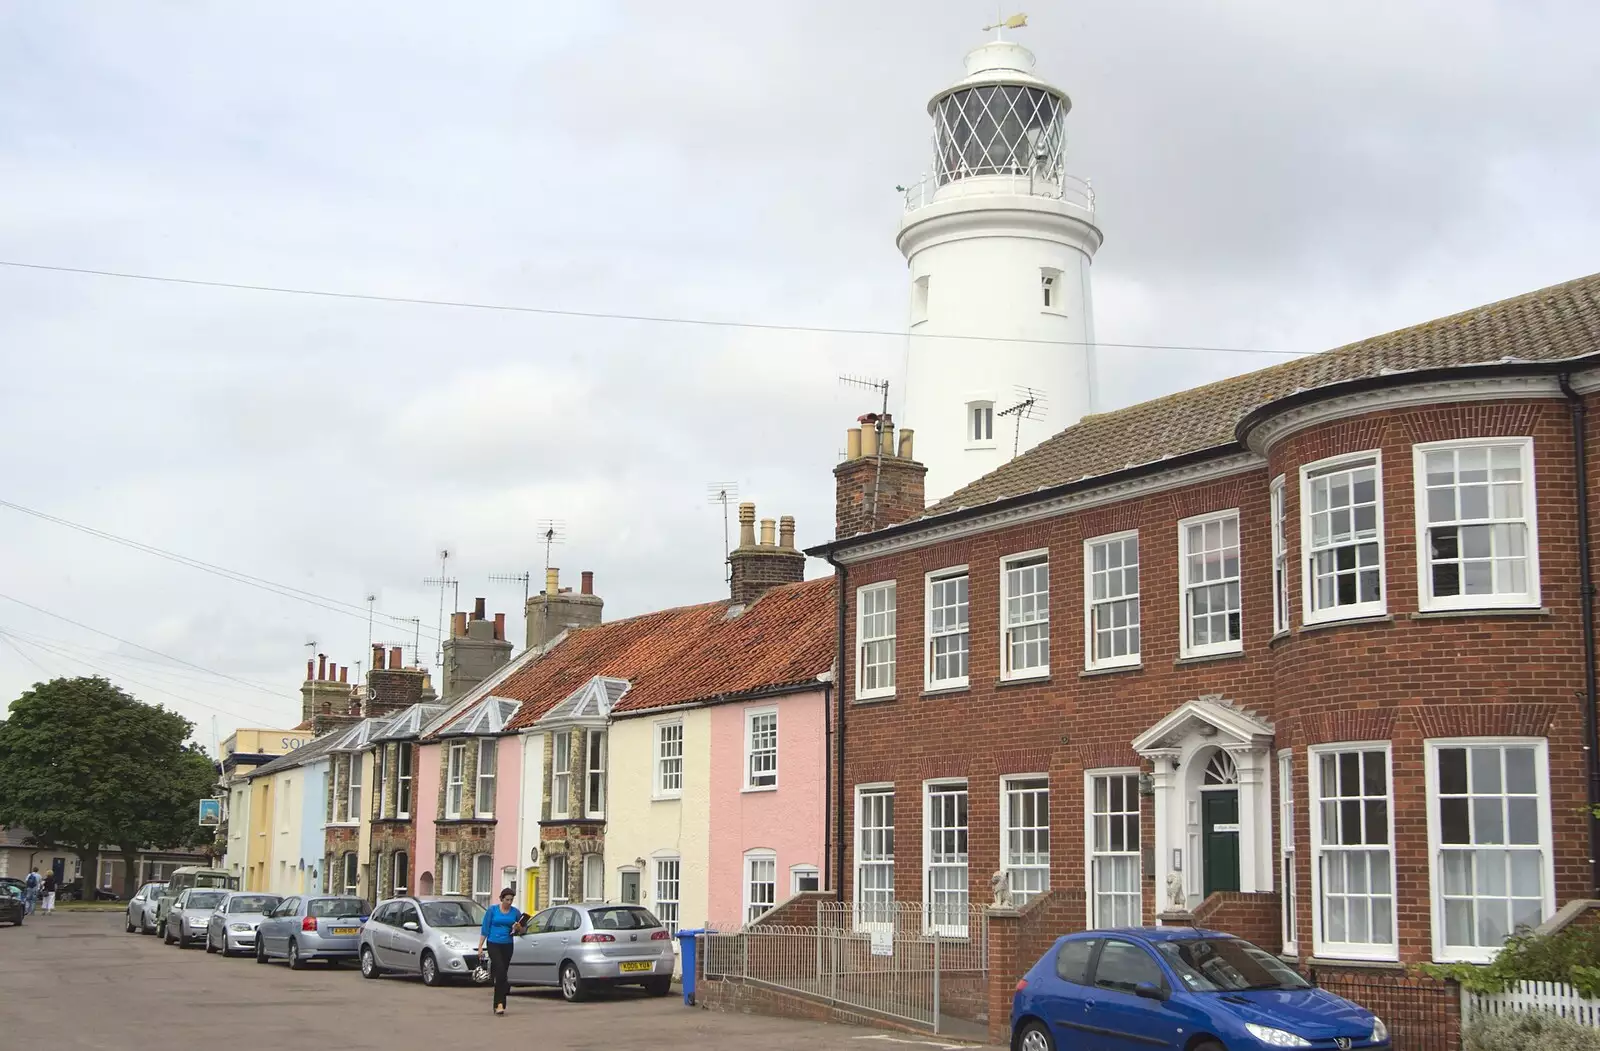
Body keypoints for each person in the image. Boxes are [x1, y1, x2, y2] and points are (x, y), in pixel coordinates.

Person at [476, 888, 527, 1016]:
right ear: (501, 899)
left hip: (507, 944)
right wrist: (480, 946)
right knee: (500, 970)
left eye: (511, 900)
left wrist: (518, 927)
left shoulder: (515, 912)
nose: (509, 902)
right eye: (507, 900)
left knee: (502, 973)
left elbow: (522, 931)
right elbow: (485, 928)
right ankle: (499, 1003)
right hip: (493, 943)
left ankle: (499, 1004)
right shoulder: (492, 910)